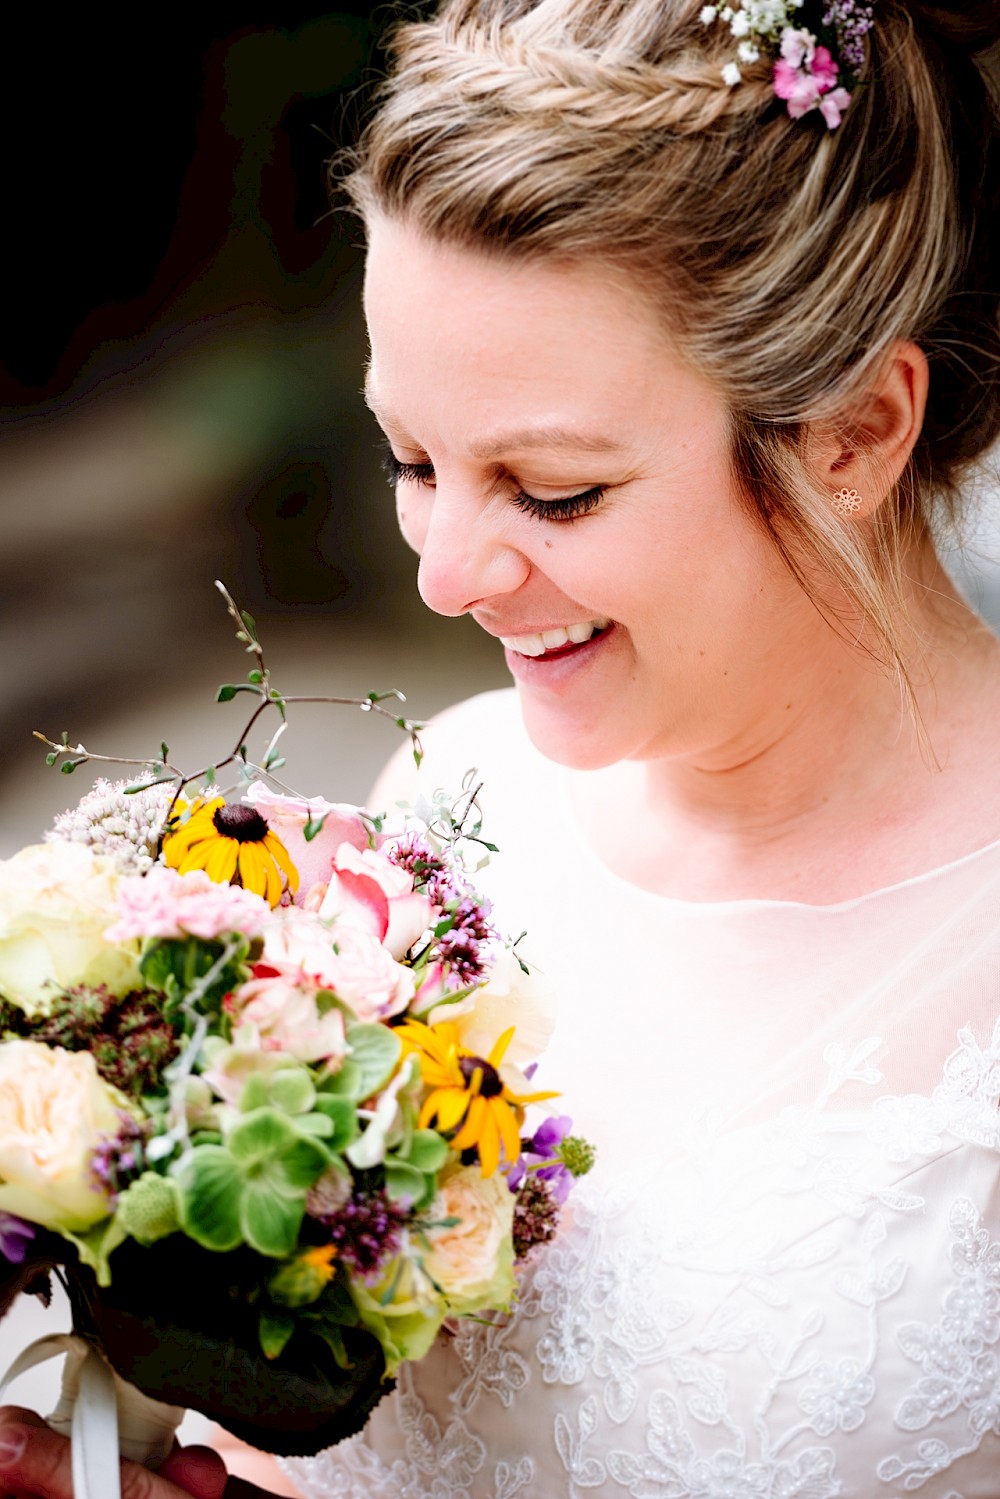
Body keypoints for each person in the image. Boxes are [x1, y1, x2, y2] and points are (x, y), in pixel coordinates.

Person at [3, 0, 1000, 1494]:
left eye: (554, 491)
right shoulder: (457, 806)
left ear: (855, 432)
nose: (446, 575)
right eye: (412, 459)